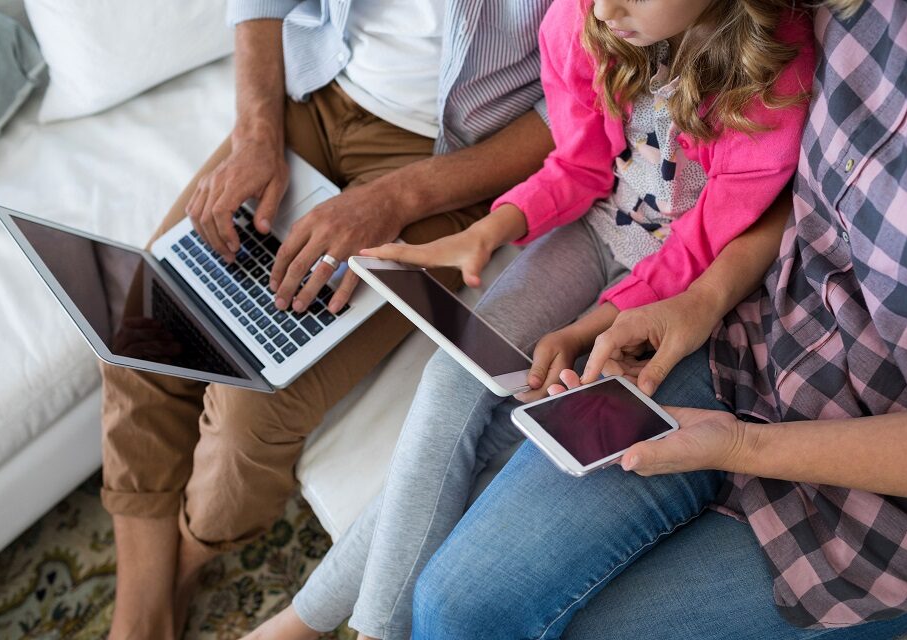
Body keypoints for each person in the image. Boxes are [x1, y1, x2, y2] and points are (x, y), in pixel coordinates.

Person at [243, 0, 814, 637]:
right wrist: (490, 230)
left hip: (669, 291)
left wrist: (592, 326)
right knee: (449, 383)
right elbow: (575, 166)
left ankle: (309, 618)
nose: (607, 6)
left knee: (516, 439)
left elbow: (705, 245)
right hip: (588, 232)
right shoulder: (582, 18)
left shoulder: (774, 74)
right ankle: (348, 625)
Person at [411, 0, 907, 638]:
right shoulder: (861, 12)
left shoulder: (773, 59)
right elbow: (799, 198)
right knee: (459, 604)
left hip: (891, 505)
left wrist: (745, 446)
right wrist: (703, 300)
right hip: (747, 344)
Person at [100, 2, 560, 638]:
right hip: (310, 98)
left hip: (446, 162)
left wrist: (396, 198)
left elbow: (575, 109)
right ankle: (140, 607)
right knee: (141, 325)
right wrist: (257, 135)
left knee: (254, 407)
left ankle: (186, 560)